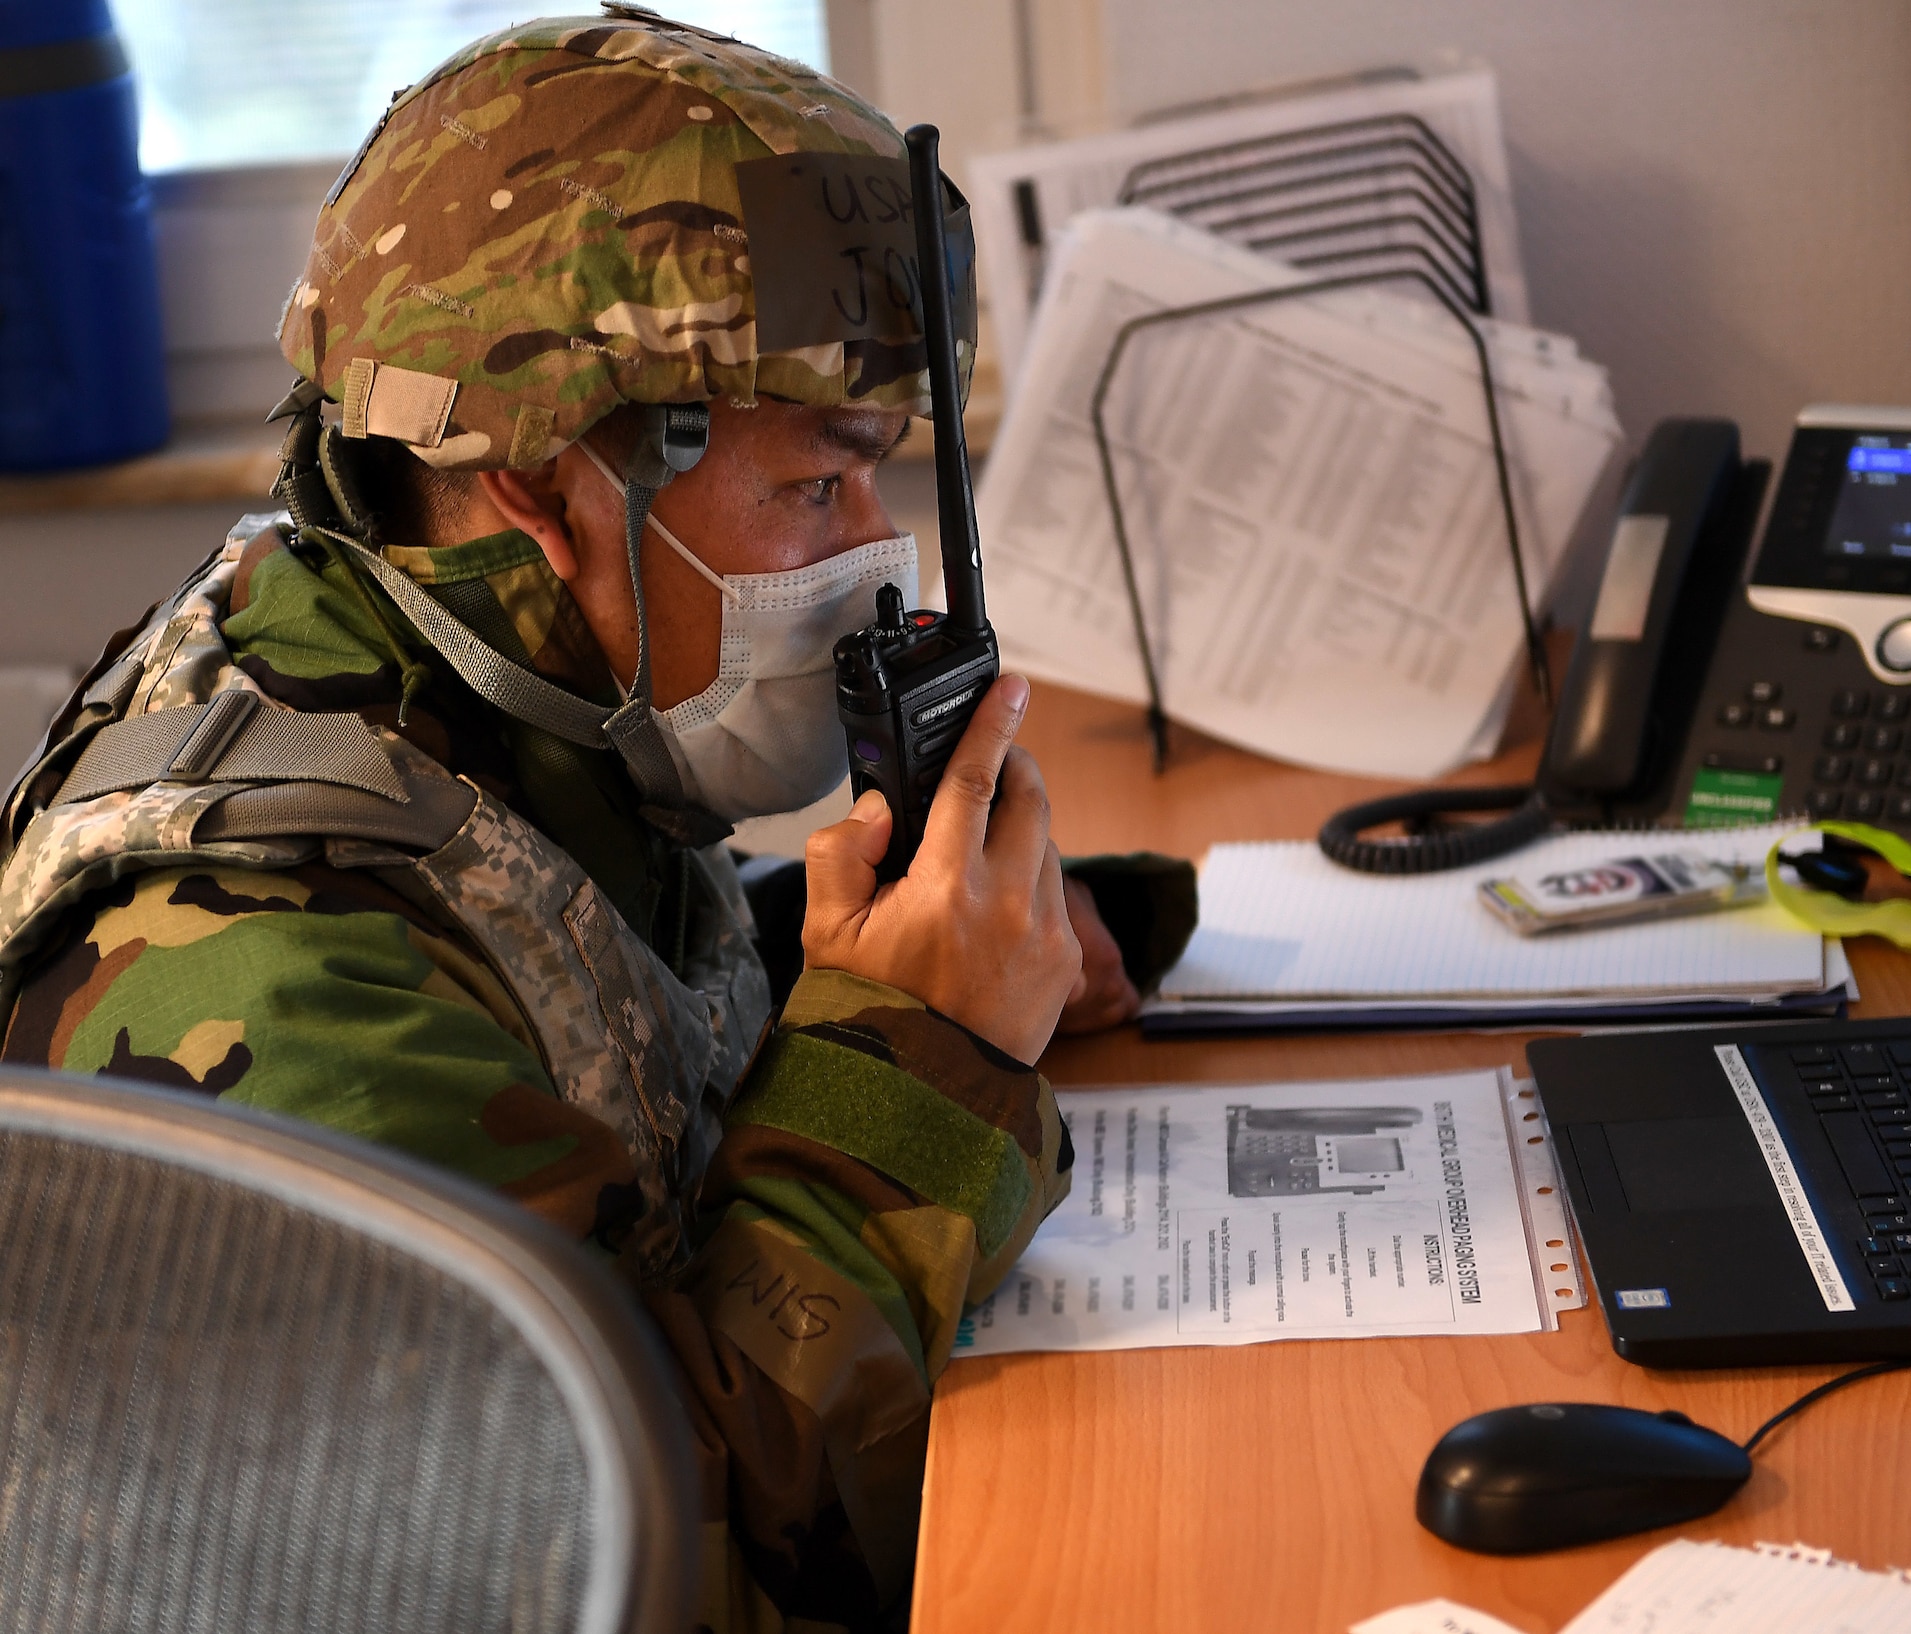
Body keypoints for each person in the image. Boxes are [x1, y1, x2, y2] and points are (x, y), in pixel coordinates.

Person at [0, 9, 1193, 1630]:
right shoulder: (264, 991)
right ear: (548, 488)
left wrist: (933, 946)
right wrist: (924, 1060)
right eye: (814, 484)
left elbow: (560, 979)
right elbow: (661, 1570)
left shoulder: (464, 672)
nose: (869, 549)